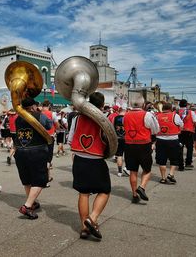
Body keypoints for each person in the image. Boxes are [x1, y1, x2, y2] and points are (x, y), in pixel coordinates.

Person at [68, 92, 111, 240]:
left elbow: (70, 139)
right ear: (102, 104)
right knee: (105, 190)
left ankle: (84, 228)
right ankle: (92, 218)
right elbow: (111, 141)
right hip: (96, 159)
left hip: (79, 158)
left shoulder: (77, 118)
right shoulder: (104, 119)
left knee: (83, 193)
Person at [14, 97, 52, 219]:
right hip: (37, 151)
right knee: (40, 180)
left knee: (27, 179)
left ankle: (32, 201)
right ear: (33, 107)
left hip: (20, 151)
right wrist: (40, 112)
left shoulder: (17, 118)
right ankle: (27, 206)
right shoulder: (39, 115)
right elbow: (49, 125)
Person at [124, 96, 159, 203]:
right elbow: (155, 129)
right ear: (143, 105)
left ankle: (134, 195)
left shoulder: (126, 115)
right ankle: (142, 187)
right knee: (147, 170)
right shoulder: (147, 114)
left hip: (129, 145)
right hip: (144, 145)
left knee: (133, 171)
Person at [155, 102, 183, 184]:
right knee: (174, 158)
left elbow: (154, 127)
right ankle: (170, 174)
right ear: (171, 108)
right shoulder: (175, 115)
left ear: (162, 108)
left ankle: (163, 178)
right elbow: (181, 125)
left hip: (160, 140)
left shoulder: (157, 116)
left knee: (161, 159)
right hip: (173, 140)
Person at [41, 100, 59, 185]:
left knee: (41, 157)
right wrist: (57, 129)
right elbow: (57, 124)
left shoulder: (38, 113)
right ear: (49, 105)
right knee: (48, 158)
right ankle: (46, 178)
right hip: (49, 137)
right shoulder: (52, 114)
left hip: (39, 137)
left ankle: (46, 176)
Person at [178, 99, 196, 170]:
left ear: (179, 105)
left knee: (180, 148)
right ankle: (188, 163)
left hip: (179, 132)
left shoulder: (176, 112)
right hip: (189, 132)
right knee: (189, 148)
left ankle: (180, 164)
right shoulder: (191, 112)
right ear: (186, 105)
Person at [113, 108, 130, 177]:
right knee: (127, 154)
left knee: (119, 155)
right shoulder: (127, 117)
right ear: (125, 112)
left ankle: (119, 171)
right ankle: (126, 168)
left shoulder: (115, 118)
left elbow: (113, 127)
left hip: (118, 138)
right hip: (126, 139)